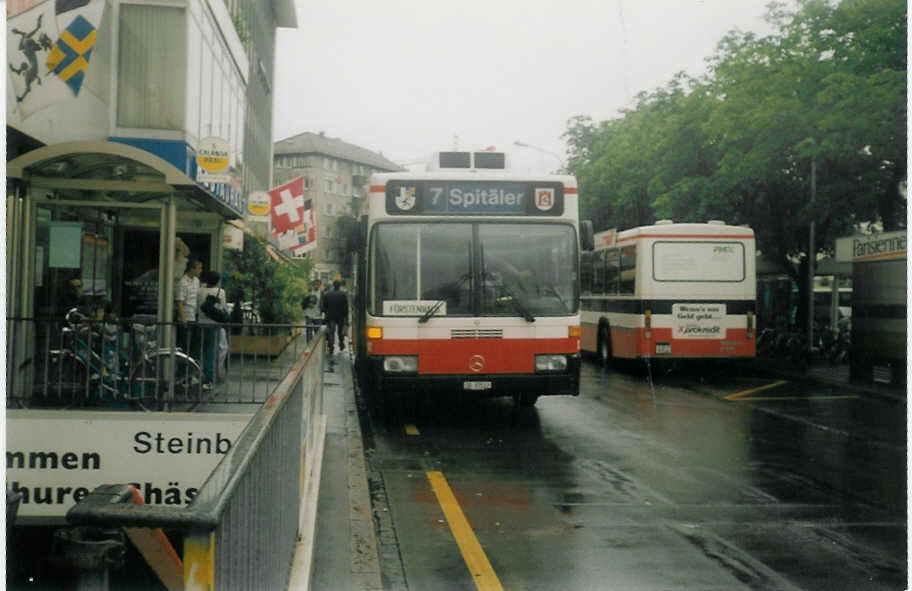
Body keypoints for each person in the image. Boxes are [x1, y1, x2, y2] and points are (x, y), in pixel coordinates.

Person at [197, 270, 226, 388]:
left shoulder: (200, 290)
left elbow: (197, 306)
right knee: (211, 352)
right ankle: (208, 379)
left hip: (201, 323)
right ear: (217, 281)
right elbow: (222, 308)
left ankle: (195, 374)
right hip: (214, 324)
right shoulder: (221, 292)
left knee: (200, 350)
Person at [176, 258, 202, 360]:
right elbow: (179, 302)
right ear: (192, 269)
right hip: (186, 316)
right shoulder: (183, 282)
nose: (200, 270)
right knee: (184, 345)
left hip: (194, 315)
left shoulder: (196, 281)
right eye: (199, 268)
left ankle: (190, 368)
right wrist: (183, 319)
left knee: (194, 345)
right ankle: (182, 370)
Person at [321, 280, 348, 354]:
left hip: (330, 317)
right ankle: (341, 343)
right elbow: (346, 307)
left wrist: (326, 314)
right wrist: (346, 318)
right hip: (340, 317)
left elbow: (324, 307)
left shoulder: (327, 294)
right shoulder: (343, 294)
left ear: (333, 285)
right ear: (339, 286)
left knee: (331, 332)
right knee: (340, 332)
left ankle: (331, 346)